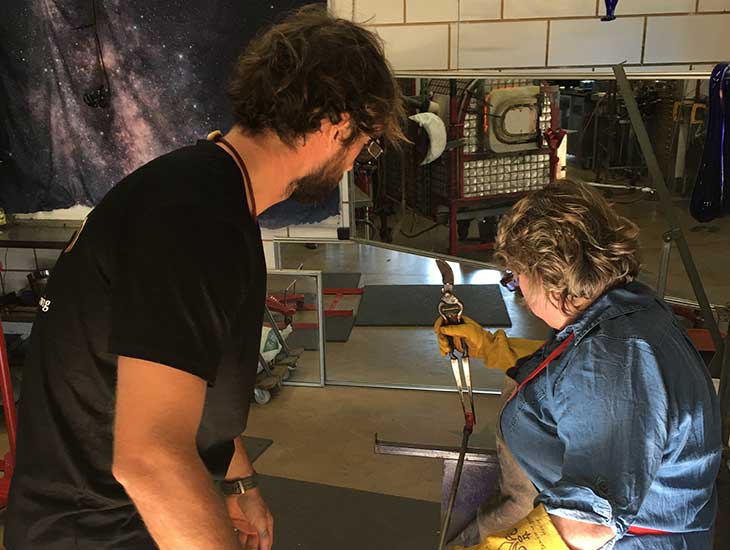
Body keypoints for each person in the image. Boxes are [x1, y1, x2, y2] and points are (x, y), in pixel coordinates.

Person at [5, 6, 404, 550]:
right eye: (365, 143)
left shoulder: (211, 196)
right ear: (336, 124)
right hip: (95, 532)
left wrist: (239, 482)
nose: (356, 161)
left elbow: (195, 374)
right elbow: (149, 460)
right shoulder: (195, 217)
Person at [435, 181, 722, 549]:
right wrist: (490, 348)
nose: (518, 289)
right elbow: (571, 374)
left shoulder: (613, 357)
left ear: (545, 275)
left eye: (515, 278)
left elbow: (587, 524)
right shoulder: (622, 311)